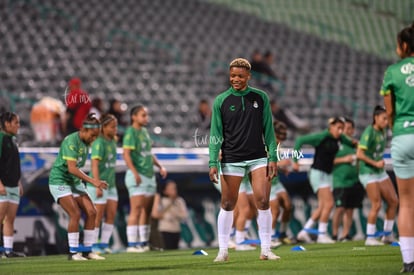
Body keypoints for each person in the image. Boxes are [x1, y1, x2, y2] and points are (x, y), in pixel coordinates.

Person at [209, 58, 279, 262]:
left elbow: (269, 130)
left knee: (263, 201)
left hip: (258, 157)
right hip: (231, 158)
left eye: (240, 76)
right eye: (232, 76)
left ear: (249, 76)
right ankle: (223, 251)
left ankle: (266, 250)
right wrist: (213, 162)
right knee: (228, 203)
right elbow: (215, 134)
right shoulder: (221, 101)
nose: (236, 79)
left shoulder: (261, 97)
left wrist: (272, 157)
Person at [48, 113, 107, 260]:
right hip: (60, 180)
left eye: (96, 137)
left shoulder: (86, 143)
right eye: (92, 135)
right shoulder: (71, 141)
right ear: (84, 130)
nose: (93, 139)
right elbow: (72, 168)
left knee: (92, 212)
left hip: (74, 182)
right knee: (74, 213)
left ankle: (87, 250)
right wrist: (93, 181)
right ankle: (73, 252)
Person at [382, 22, 414, 273]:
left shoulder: (392, 71)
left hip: (403, 136)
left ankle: (408, 261)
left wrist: (397, 129)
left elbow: (389, 111)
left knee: (406, 202)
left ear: (404, 45)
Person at [293, 117, 356, 244]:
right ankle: (322, 235)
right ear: (330, 127)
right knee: (329, 204)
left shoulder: (339, 138)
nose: (340, 131)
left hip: (327, 174)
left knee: (322, 207)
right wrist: (295, 161)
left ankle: (304, 232)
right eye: (338, 128)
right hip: (318, 172)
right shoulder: (322, 136)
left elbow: (352, 143)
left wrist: (361, 145)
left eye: (342, 128)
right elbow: (300, 140)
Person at [123, 105, 167, 253]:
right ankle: (131, 245)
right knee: (135, 210)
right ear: (133, 117)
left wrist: (160, 166)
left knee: (146, 212)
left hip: (149, 175)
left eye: (146, 115)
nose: (146, 118)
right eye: (143, 115)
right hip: (138, 175)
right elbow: (126, 154)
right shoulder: (130, 132)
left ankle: (143, 243)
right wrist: (134, 172)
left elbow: (148, 153)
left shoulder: (144, 132)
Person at [356, 106, 398, 246]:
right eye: (384, 118)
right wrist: (375, 163)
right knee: (377, 204)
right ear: (376, 118)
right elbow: (359, 154)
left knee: (393, 201)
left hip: (379, 172)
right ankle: (370, 237)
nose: (386, 121)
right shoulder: (369, 132)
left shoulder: (384, 131)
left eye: (387, 118)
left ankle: (387, 235)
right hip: (367, 172)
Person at [86, 114, 118, 254]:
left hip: (111, 185)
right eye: (112, 127)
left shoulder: (112, 141)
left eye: (116, 126)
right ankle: (93, 245)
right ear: (103, 128)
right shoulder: (99, 143)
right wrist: (97, 184)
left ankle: (104, 244)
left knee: (111, 215)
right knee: (97, 216)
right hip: (99, 184)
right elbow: (94, 166)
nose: (115, 129)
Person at [331, 118, 364, 242]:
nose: (347, 131)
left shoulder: (356, 145)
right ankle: (334, 235)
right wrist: (344, 159)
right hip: (340, 181)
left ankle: (345, 235)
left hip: (354, 181)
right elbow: (328, 161)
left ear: (353, 130)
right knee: (339, 209)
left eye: (350, 128)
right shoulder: (336, 144)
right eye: (345, 128)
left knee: (350, 210)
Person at [0, 112, 24, 257]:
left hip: (13, 185)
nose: (18, 126)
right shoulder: (1, 139)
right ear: (7, 124)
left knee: (10, 218)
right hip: (3, 185)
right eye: (16, 123)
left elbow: (14, 164)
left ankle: (8, 250)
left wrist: (18, 182)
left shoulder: (13, 140)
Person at [270, 121, 292, 246]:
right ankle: (271, 237)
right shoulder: (267, 144)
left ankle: (282, 234)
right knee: (275, 210)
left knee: (288, 206)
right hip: (266, 182)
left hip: (276, 181)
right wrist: (280, 164)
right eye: (279, 135)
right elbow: (264, 162)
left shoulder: (278, 146)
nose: (281, 139)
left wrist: (283, 169)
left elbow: (275, 164)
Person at [151, 180, 188, 250]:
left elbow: (184, 215)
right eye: (171, 189)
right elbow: (155, 214)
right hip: (165, 230)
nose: (174, 190)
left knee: (175, 249)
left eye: (174, 188)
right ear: (165, 190)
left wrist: (175, 214)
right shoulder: (161, 200)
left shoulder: (179, 200)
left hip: (176, 230)